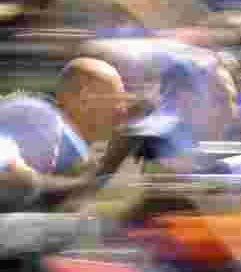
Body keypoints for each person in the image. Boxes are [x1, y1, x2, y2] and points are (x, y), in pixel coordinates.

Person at [0, 58, 142, 209]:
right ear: (85, 99)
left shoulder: (76, 150)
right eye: (116, 100)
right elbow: (19, 180)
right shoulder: (42, 119)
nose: (123, 110)